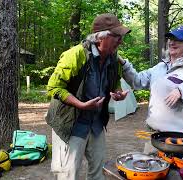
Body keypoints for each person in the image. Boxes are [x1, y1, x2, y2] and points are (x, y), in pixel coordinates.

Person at [45, 13, 131, 180]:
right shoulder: (75, 55)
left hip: (96, 124)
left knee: (98, 173)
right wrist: (80, 104)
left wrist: (118, 92)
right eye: (116, 36)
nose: (120, 41)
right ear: (100, 38)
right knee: (68, 175)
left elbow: (115, 82)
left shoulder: (114, 59)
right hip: (71, 124)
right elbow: (53, 87)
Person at [119, 26, 183, 149]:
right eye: (170, 39)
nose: (172, 42)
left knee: (175, 169)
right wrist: (123, 63)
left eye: (178, 40)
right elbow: (137, 81)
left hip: (180, 140)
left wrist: (182, 91)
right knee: (153, 168)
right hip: (154, 136)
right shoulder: (160, 67)